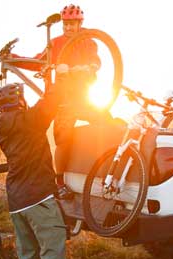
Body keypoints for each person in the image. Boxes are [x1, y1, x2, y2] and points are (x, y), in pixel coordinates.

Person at [10, 4, 109, 200]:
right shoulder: (56, 43)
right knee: (63, 139)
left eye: (73, 24)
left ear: (80, 24)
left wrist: (86, 67)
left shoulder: (89, 41)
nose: (69, 28)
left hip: (85, 96)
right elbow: (37, 61)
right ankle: (61, 183)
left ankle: (106, 172)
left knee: (108, 122)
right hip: (64, 99)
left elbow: (95, 62)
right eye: (66, 24)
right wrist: (13, 59)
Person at [0, 83, 67, 259]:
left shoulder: (0, 125)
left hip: (16, 199)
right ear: (19, 101)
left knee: (27, 257)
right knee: (52, 255)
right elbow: (52, 100)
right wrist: (58, 76)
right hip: (39, 196)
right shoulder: (30, 119)